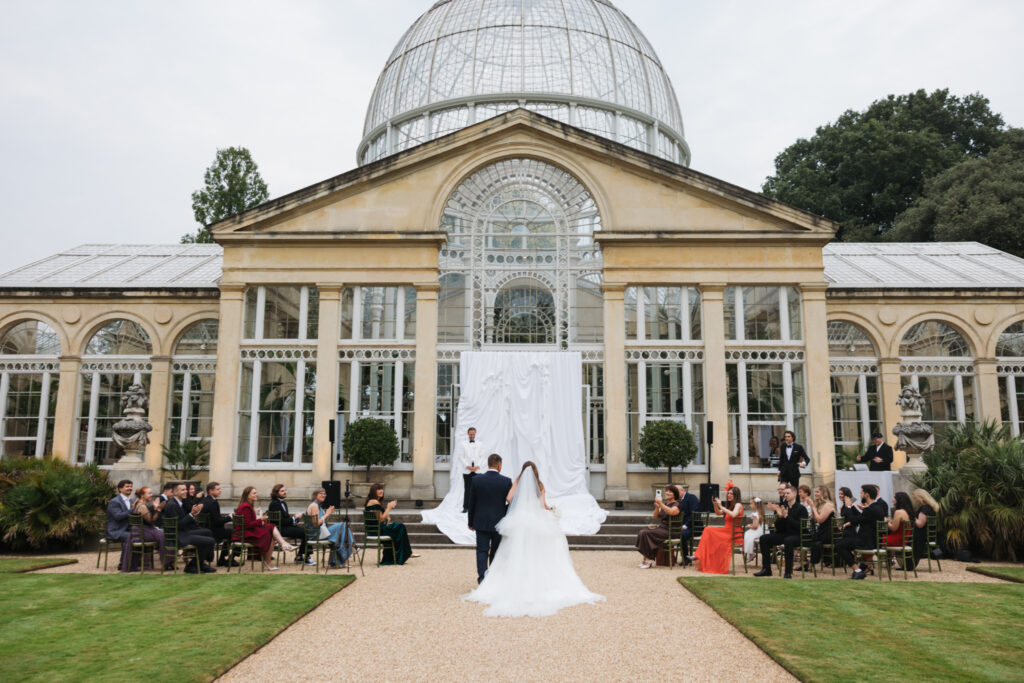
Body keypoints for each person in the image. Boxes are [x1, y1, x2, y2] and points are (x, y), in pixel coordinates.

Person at [464, 461, 604, 617]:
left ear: (523, 471)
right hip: (535, 522)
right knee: (534, 551)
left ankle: (504, 581)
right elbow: (543, 505)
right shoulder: (540, 485)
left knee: (515, 550)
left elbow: (509, 498)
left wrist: (519, 503)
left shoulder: (517, 481)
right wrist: (552, 510)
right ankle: (534, 583)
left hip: (519, 521)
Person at [465, 454, 510, 580]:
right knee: (495, 552)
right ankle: (493, 579)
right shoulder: (506, 481)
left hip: (481, 522)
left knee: (482, 551)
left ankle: (482, 579)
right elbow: (511, 502)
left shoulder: (477, 480)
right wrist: (503, 512)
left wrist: (470, 522)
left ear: (488, 464)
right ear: (499, 465)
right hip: (499, 523)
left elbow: (471, 503)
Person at [235, 486, 296, 571]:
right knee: (270, 529)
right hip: (244, 534)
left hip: (247, 531)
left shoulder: (247, 506)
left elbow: (248, 521)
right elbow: (247, 524)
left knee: (270, 528)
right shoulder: (246, 507)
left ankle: (280, 547)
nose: (257, 494)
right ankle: (280, 547)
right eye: (254, 493)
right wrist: (261, 520)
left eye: (256, 492)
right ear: (248, 495)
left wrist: (255, 513)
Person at [755, 484, 808, 578]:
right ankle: (766, 569)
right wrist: (780, 517)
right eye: (785, 493)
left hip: (797, 535)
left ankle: (788, 572)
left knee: (789, 541)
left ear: (795, 494)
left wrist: (787, 517)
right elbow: (778, 528)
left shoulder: (801, 509)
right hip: (784, 534)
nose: (786, 495)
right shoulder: (783, 507)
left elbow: (800, 527)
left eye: (788, 493)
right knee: (764, 538)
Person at [163, 483, 217, 574]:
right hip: (178, 536)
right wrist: (191, 514)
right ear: (175, 492)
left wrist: (194, 514)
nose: (186, 492)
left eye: (185, 489)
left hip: (185, 532)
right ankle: (192, 565)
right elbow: (178, 525)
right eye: (183, 490)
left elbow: (185, 520)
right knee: (210, 541)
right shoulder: (172, 505)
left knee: (207, 532)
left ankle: (200, 563)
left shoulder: (180, 503)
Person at [835, 484, 888, 573]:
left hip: (866, 542)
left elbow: (853, 520)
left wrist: (848, 507)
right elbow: (860, 519)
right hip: (873, 540)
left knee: (838, 546)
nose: (860, 495)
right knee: (842, 543)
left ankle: (857, 570)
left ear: (867, 495)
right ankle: (862, 566)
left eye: (861, 493)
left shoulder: (870, 509)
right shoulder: (878, 507)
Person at [691, 486, 744, 574]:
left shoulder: (738, 505)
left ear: (736, 495)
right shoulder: (730, 505)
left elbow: (734, 515)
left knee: (708, 530)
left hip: (733, 533)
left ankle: (698, 556)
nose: (729, 495)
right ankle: (698, 556)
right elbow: (718, 513)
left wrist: (721, 506)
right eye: (728, 493)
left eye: (731, 494)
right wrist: (716, 505)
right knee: (708, 530)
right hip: (725, 531)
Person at [118, 486, 167, 572]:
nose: (151, 495)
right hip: (141, 532)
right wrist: (158, 509)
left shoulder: (138, 503)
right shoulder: (141, 506)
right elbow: (151, 521)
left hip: (138, 531)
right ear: (143, 495)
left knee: (161, 532)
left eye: (151, 493)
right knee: (163, 535)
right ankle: (167, 562)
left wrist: (154, 507)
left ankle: (166, 562)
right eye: (149, 493)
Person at [366, 483, 416, 565]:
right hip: (377, 531)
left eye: (381, 489)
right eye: (378, 489)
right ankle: (404, 553)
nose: (381, 491)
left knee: (398, 527)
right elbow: (381, 519)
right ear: (373, 491)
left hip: (376, 529)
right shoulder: (374, 501)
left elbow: (381, 519)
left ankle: (401, 554)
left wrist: (387, 518)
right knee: (400, 527)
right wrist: (389, 508)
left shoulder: (373, 501)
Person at [634, 485, 682, 569]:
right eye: (666, 491)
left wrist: (661, 503)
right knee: (643, 532)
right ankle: (647, 558)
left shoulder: (677, 504)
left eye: (670, 492)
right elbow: (655, 516)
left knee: (646, 533)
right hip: (662, 529)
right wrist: (657, 507)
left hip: (671, 531)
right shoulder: (666, 504)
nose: (667, 493)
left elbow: (671, 512)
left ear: (675, 494)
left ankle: (648, 560)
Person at [307, 488, 357, 567]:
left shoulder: (318, 505)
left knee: (342, 530)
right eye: (321, 493)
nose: (323, 495)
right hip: (316, 534)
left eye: (324, 494)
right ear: (315, 495)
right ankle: (352, 547)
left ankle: (341, 560)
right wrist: (327, 514)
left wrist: (327, 513)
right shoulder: (314, 505)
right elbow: (315, 524)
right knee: (343, 525)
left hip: (322, 532)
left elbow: (322, 521)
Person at [269, 484, 311, 565]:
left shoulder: (283, 503)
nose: (285, 492)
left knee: (306, 531)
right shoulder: (274, 504)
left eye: (285, 490)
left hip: (286, 527)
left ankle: (302, 556)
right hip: (279, 529)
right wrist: (294, 518)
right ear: (276, 493)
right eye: (282, 491)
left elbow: (286, 519)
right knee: (305, 532)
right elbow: (280, 521)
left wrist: (295, 519)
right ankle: (304, 556)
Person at [200, 481, 236, 567]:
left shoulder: (205, 500)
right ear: (211, 491)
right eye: (218, 489)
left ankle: (222, 558)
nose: (220, 491)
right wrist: (230, 517)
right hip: (214, 532)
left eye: (220, 489)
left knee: (231, 532)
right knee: (234, 533)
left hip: (207, 530)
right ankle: (222, 558)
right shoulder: (212, 503)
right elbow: (217, 521)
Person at [457, 427, 484, 513]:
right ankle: (466, 507)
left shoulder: (480, 444)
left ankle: (477, 507)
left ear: (475, 434)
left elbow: (482, 456)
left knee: (478, 489)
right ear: (468, 434)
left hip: (477, 470)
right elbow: (461, 456)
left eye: (473, 434)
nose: (472, 435)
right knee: (467, 489)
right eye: (470, 434)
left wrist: (477, 466)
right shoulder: (463, 444)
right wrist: (467, 466)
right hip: (467, 470)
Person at [808, 486, 836, 566]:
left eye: (817, 492)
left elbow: (820, 520)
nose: (815, 494)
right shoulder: (820, 504)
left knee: (812, 539)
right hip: (822, 530)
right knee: (807, 537)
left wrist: (813, 507)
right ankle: (810, 561)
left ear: (823, 493)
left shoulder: (828, 505)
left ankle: (813, 561)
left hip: (829, 532)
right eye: (815, 492)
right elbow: (815, 519)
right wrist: (813, 507)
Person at [911, 489, 939, 566]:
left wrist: (912, 516)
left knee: (906, 539)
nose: (915, 500)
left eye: (915, 498)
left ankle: (909, 563)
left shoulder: (925, 509)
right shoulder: (931, 508)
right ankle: (938, 554)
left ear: (921, 498)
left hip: (922, 536)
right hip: (931, 536)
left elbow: (920, 524)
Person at [106, 479, 133, 544]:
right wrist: (133, 509)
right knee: (134, 537)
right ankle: (126, 554)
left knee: (145, 535)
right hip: (116, 531)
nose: (130, 488)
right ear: (120, 489)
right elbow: (118, 516)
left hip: (128, 529)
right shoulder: (114, 501)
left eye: (131, 486)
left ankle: (139, 554)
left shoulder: (131, 501)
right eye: (127, 486)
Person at [677, 485, 701, 561]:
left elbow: (695, 513)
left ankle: (685, 559)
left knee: (682, 535)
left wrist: (685, 526)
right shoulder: (677, 500)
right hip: (682, 526)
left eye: (675, 491)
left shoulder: (691, 497)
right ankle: (667, 559)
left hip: (694, 526)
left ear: (682, 490)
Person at [743, 497, 766, 562]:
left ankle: (750, 553)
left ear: (756, 505)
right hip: (760, 531)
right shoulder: (761, 513)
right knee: (748, 534)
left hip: (757, 531)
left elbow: (755, 526)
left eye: (751, 504)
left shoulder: (754, 514)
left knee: (747, 534)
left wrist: (750, 526)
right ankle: (750, 553)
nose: (750, 505)